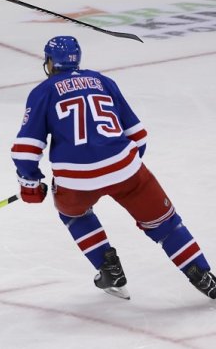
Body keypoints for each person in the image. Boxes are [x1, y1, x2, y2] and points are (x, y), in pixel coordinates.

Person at [11, 36, 215, 300]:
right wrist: (126, 170)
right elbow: (139, 135)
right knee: (165, 225)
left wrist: (30, 182)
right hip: (125, 168)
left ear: (50, 62)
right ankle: (202, 275)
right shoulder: (102, 81)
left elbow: (26, 150)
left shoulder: (43, 91)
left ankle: (109, 268)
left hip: (76, 181)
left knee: (75, 215)